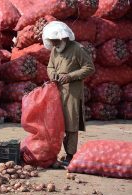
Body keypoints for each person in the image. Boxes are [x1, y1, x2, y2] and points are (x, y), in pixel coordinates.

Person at [42, 21, 95, 166]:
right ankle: (54, 152)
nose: (53, 44)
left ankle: (70, 155)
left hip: (72, 92)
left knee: (71, 124)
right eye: (51, 41)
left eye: (55, 41)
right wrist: (52, 74)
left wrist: (70, 76)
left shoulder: (78, 49)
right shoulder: (55, 50)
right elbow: (50, 66)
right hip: (56, 91)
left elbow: (89, 68)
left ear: (63, 38)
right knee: (56, 123)